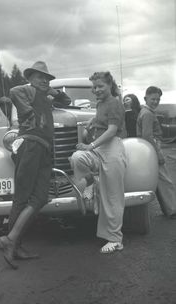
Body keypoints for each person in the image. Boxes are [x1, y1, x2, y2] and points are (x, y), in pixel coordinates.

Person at [0, 61, 71, 269]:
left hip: (44, 150)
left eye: (47, 77)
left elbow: (67, 100)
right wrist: (30, 102)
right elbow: (13, 90)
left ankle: (11, 240)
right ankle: (15, 245)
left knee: (40, 197)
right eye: (40, 76)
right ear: (30, 78)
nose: (45, 80)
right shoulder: (27, 91)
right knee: (21, 198)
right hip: (29, 145)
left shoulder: (46, 96)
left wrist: (53, 92)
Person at [70, 71, 126, 254]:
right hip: (99, 149)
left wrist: (90, 145)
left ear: (110, 85)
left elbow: (112, 130)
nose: (96, 90)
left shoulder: (115, 103)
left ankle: (116, 240)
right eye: (94, 87)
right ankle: (91, 182)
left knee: (113, 196)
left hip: (112, 148)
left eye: (100, 86)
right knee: (77, 158)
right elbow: (101, 122)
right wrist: (90, 124)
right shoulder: (100, 104)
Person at [136, 86, 176, 218]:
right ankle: (172, 210)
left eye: (158, 99)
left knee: (159, 180)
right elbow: (147, 135)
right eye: (153, 99)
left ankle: (169, 209)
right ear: (145, 98)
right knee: (165, 180)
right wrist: (158, 154)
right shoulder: (147, 114)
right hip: (152, 147)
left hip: (148, 148)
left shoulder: (145, 111)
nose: (155, 101)